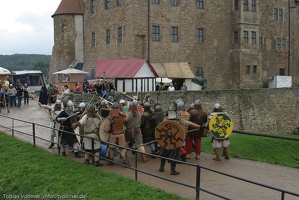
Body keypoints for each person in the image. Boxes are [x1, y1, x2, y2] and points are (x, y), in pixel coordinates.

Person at [159, 101, 201, 175]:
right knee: (173, 154)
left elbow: (188, 123)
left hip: (166, 140)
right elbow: (187, 123)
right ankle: (172, 170)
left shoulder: (166, 119)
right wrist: (199, 126)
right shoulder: (177, 119)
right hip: (173, 140)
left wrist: (198, 126)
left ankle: (162, 167)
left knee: (164, 153)